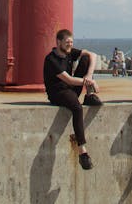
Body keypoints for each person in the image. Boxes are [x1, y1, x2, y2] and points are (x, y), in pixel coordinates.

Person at [43, 28, 103, 170]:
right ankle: (82, 151)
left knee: (86, 58)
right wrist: (91, 82)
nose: (70, 45)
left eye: (71, 42)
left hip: (70, 89)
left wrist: (88, 75)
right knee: (76, 107)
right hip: (58, 93)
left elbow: (93, 55)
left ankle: (88, 96)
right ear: (58, 42)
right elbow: (68, 80)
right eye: (67, 42)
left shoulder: (69, 52)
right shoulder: (51, 59)